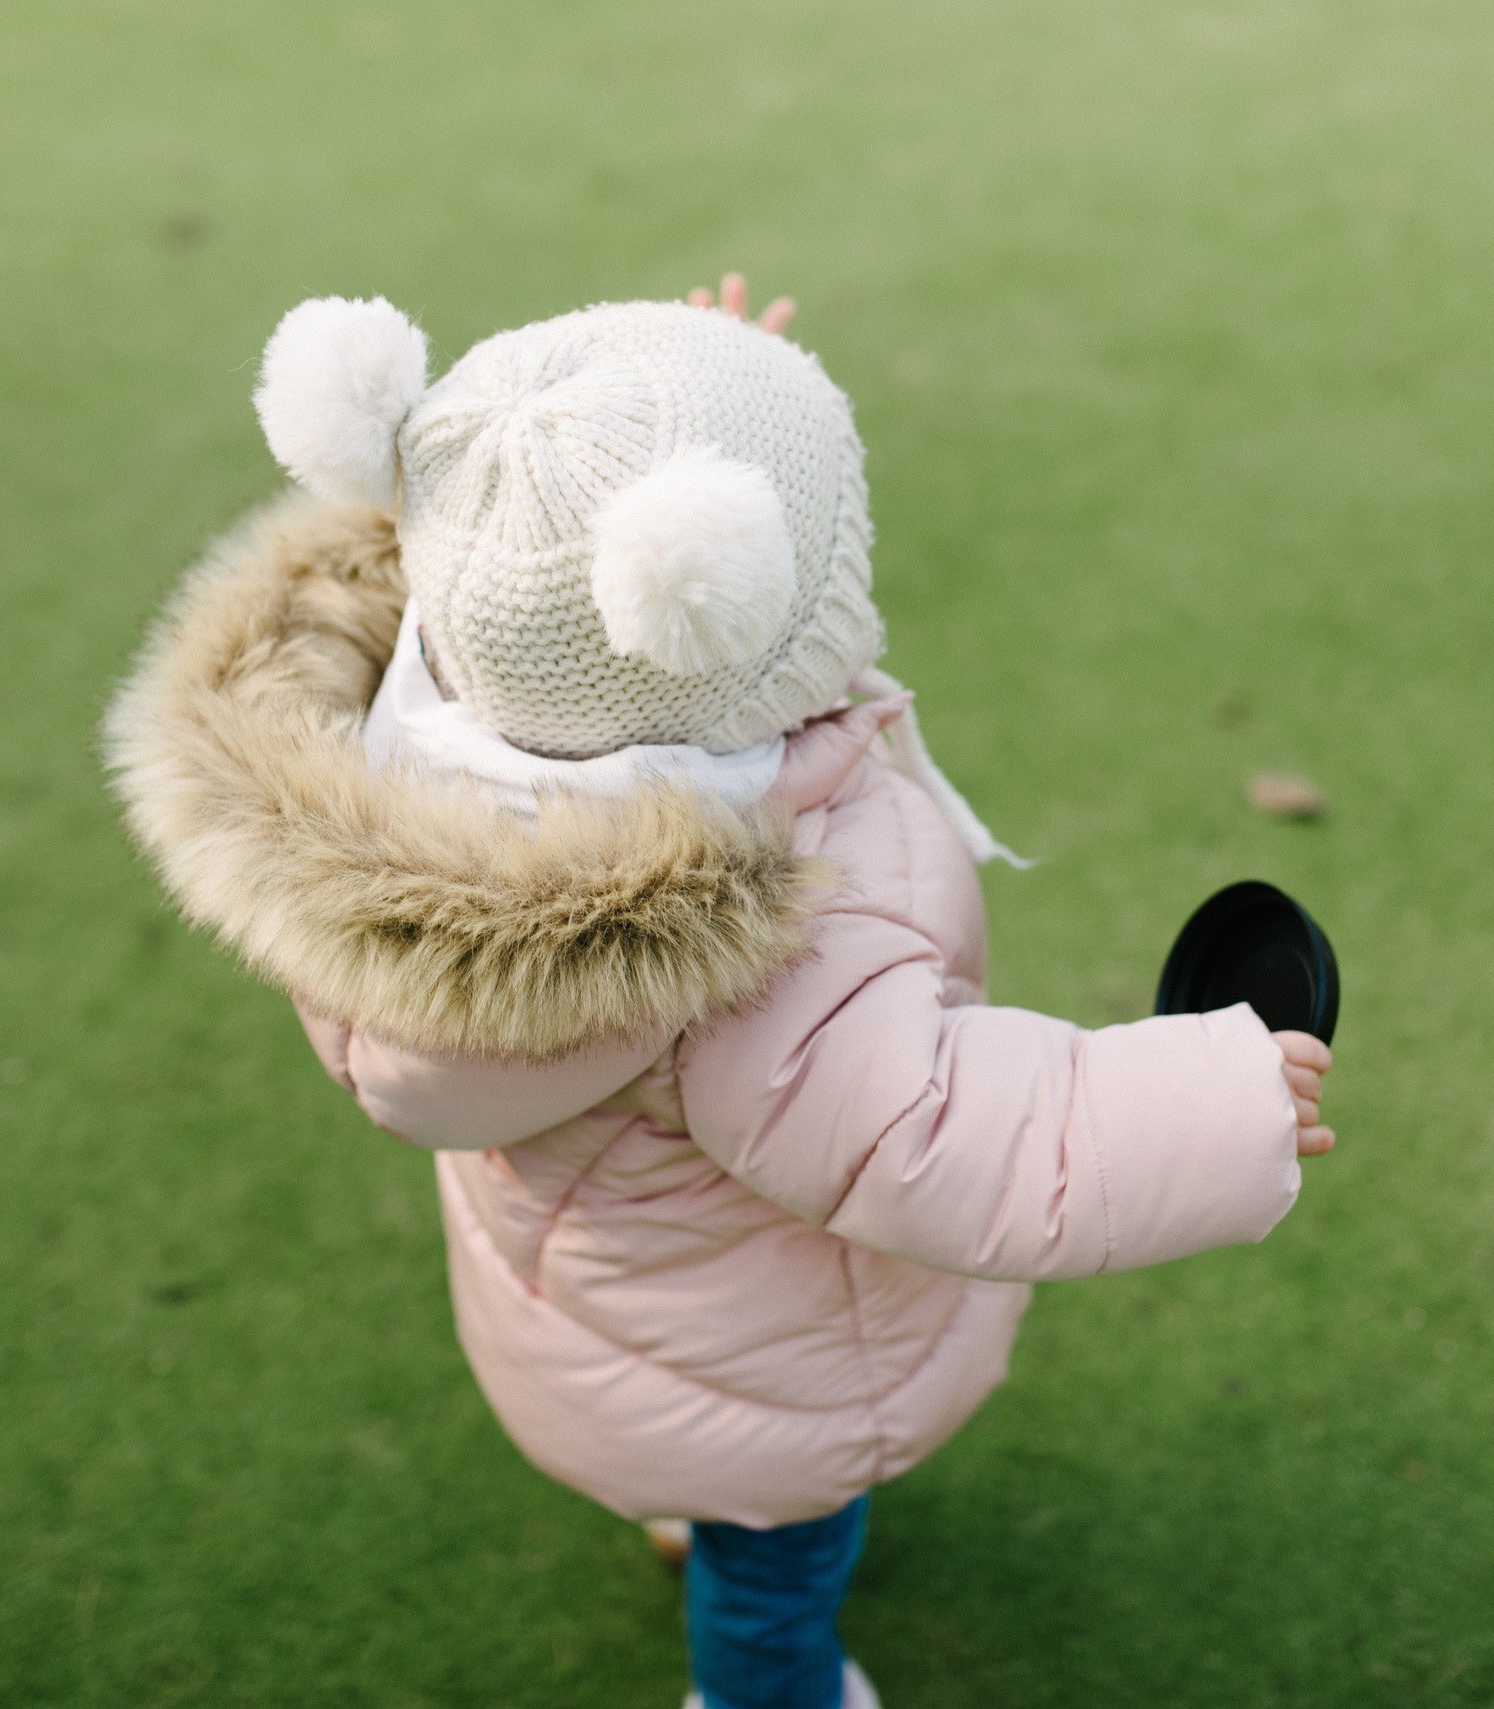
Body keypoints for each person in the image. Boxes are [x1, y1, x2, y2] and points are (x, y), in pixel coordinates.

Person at [105, 273, 1336, 1709]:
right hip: (775, 1371)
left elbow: (548, 565)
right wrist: (1202, 1096)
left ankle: (686, 1487)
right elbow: (922, 1127)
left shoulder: (430, 750)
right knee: (779, 1576)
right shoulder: (753, 936)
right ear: (719, 614)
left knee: (700, 1421)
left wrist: (685, 407)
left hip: (616, 1309)